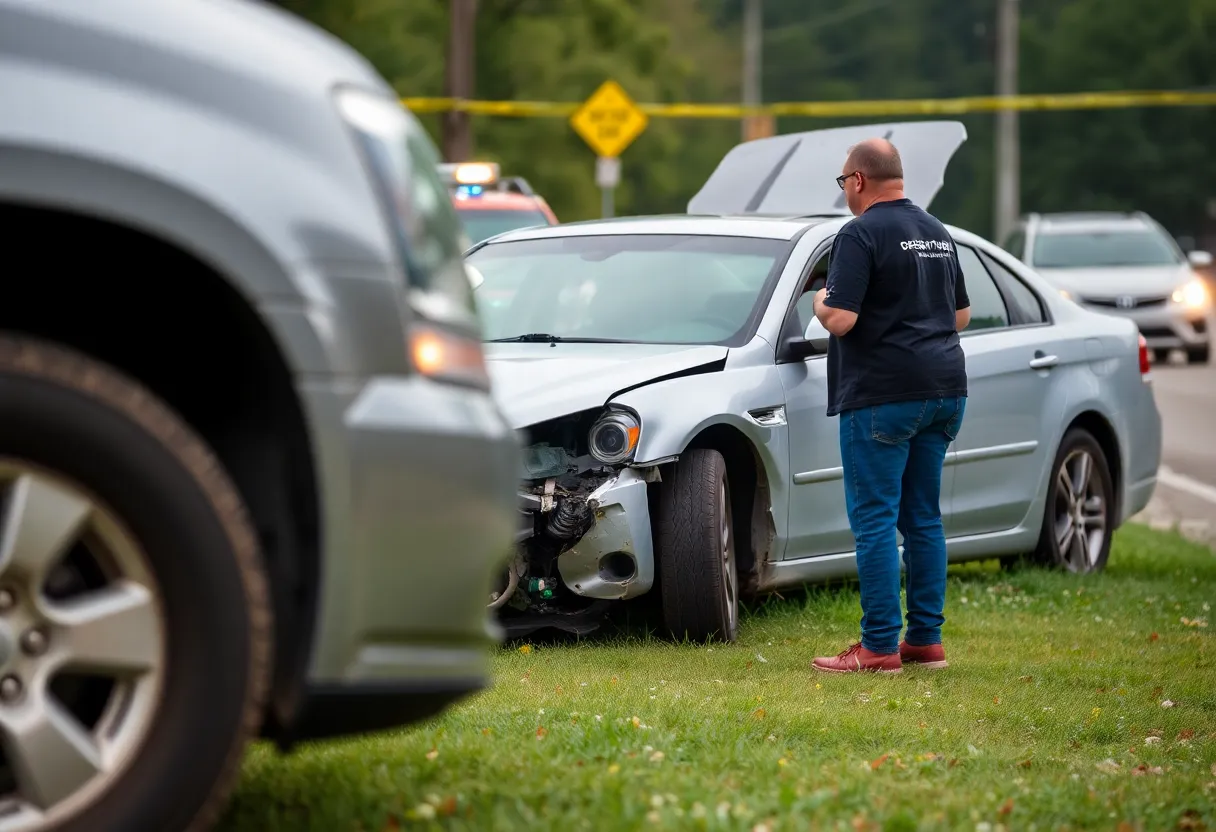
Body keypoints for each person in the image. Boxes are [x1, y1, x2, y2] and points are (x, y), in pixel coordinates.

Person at [810, 138, 971, 674]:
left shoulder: (858, 234)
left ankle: (879, 646)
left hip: (883, 395)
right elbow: (960, 317)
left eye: (843, 183)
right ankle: (924, 642)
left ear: (857, 180)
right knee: (923, 517)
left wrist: (818, 300)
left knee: (874, 520)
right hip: (945, 390)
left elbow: (840, 319)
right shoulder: (937, 232)